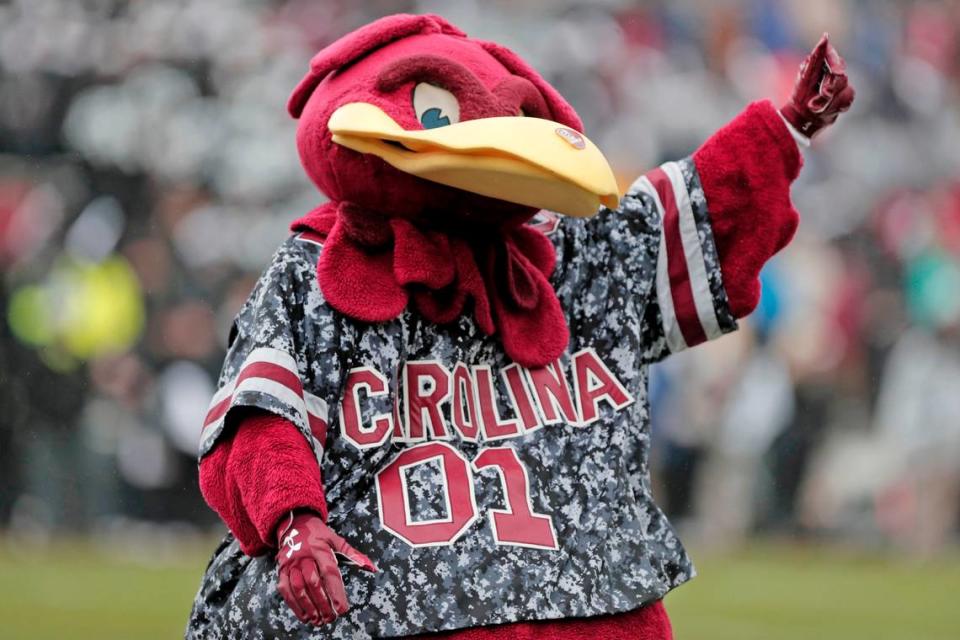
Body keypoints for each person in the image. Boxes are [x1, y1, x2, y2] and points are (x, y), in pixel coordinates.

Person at [186, 14, 853, 639]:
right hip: (396, 602)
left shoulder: (566, 260)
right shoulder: (317, 273)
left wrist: (785, 130)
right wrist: (293, 518)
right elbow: (262, 417)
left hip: (581, 592)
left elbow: (683, 218)